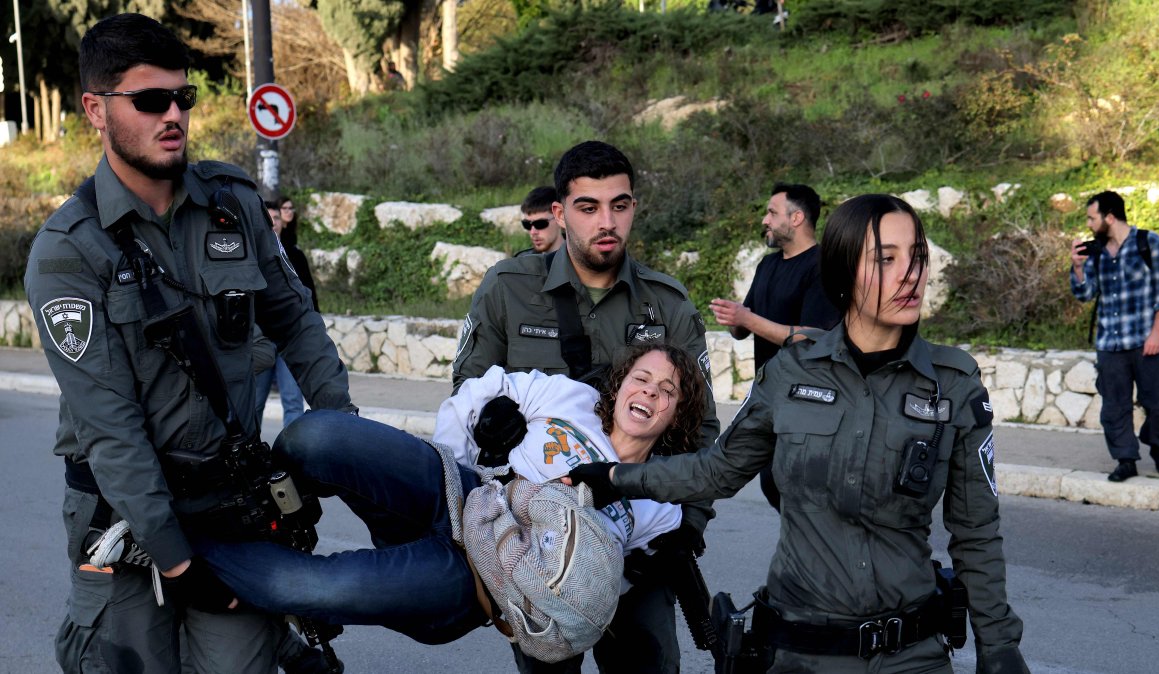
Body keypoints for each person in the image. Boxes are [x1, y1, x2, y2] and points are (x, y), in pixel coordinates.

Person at [571, 194, 1031, 674]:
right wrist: (614, 477)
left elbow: (976, 530)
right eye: (886, 259)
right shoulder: (790, 374)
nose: (909, 274)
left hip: (911, 654)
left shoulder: (954, 383)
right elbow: (716, 471)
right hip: (799, 653)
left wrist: (999, 645)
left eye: (917, 256)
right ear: (842, 271)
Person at [24, 14, 353, 674]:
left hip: (229, 505)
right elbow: (110, 427)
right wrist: (175, 561)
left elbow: (296, 320)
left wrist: (342, 438)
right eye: (150, 101)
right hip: (122, 517)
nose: (173, 114)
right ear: (95, 108)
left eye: (184, 98)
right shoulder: (67, 254)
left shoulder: (232, 202)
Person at [194, 344, 707, 657]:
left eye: (668, 391)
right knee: (318, 436)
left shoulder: (658, 504)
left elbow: (591, 592)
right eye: (642, 378)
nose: (650, 393)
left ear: (677, 413)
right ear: (620, 385)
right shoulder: (567, 397)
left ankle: (184, 548)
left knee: (311, 586)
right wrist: (465, 448)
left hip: (477, 581)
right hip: (458, 490)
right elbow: (486, 389)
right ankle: (248, 502)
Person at [453, 140, 719, 673]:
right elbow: (467, 390)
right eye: (588, 207)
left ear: (633, 208)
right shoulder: (509, 289)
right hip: (540, 542)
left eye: (619, 206)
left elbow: (702, 429)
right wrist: (490, 420)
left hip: (641, 542)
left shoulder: (666, 303)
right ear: (558, 212)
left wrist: (690, 521)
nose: (607, 222)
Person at [710, 182, 839, 510]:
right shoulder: (767, 265)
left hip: (809, 399)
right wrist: (735, 320)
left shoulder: (822, 265)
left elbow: (813, 335)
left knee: (791, 484)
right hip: (770, 396)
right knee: (772, 481)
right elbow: (746, 327)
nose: (765, 220)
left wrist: (748, 319)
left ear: (796, 218)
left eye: (771, 212)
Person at [1070, 190, 1159, 482]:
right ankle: (1125, 459)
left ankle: (1158, 448)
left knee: (1158, 402)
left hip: (1148, 341)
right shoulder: (1095, 252)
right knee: (1114, 407)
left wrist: (1157, 333)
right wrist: (1078, 268)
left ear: (1109, 217)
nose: (1089, 224)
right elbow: (1085, 294)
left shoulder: (1150, 243)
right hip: (1110, 344)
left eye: (1092, 218)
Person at [255, 200, 308, 428]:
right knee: (253, 404)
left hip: (290, 339)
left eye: (276, 218)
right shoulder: (247, 257)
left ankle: (291, 458)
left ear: (283, 223)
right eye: (267, 218)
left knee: (293, 402)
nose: (272, 223)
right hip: (260, 340)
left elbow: (309, 297)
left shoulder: (295, 256)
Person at [515, 185, 564, 256]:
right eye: (527, 224)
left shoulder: (581, 261)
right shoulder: (522, 262)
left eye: (540, 224)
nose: (533, 232)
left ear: (560, 217)